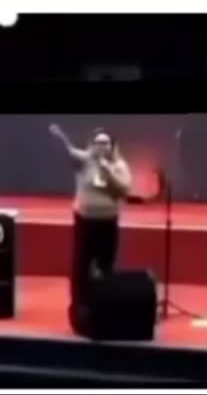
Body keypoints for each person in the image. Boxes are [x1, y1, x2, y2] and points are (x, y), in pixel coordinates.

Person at [49, 124, 132, 316]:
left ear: (112, 146)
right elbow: (68, 151)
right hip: (86, 221)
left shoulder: (119, 166)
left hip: (108, 222)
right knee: (81, 264)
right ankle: (79, 305)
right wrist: (60, 136)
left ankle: (104, 303)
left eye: (105, 143)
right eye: (98, 143)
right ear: (92, 145)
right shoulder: (84, 161)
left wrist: (108, 172)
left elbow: (124, 190)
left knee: (106, 264)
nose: (101, 146)